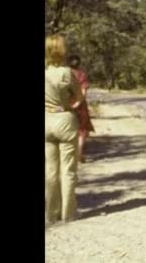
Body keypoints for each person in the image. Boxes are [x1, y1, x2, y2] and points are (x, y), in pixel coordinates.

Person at [45, 35, 83, 223]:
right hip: (64, 119)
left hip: (46, 121)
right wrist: (70, 106)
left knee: (50, 170)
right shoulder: (67, 72)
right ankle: (68, 213)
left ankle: (50, 214)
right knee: (67, 168)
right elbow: (79, 96)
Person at [68, 55, 95, 163]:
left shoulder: (64, 74)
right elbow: (84, 92)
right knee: (81, 131)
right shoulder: (81, 75)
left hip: (66, 106)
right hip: (80, 107)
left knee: (69, 130)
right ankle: (79, 155)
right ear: (79, 63)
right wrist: (78, 103)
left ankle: (70, 156)